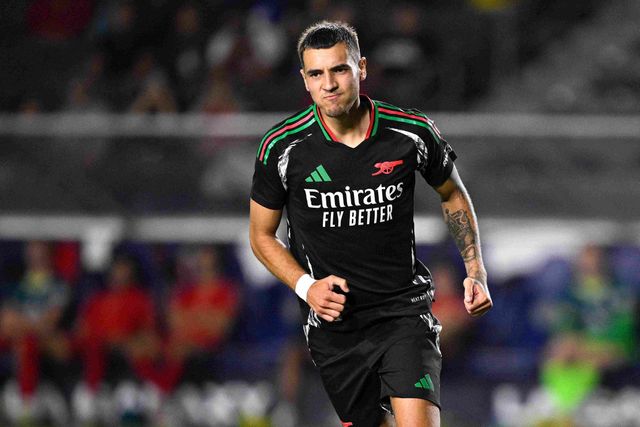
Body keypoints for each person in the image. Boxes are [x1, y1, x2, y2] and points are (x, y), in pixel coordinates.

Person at [249, 21, 492, 427]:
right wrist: (307, 288)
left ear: (361, 68)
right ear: (305, 79)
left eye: (339, 69)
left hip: (403, 313)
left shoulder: (410, 132)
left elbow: (452, 192)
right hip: (335, 326)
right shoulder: (282, 148)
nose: (329, 84)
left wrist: (475, 270)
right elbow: (260, 235)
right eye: (316, 74)